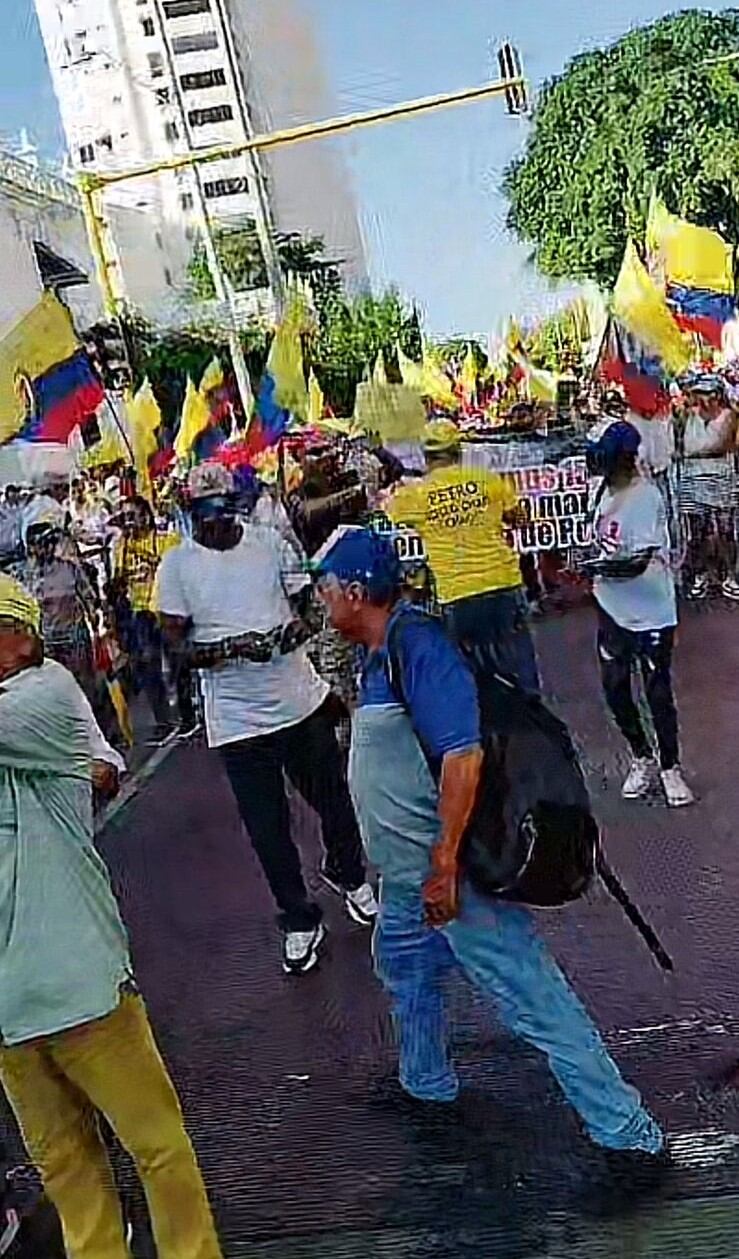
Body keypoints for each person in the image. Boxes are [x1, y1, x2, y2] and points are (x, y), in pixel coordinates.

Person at [314, 528, 665, 1160]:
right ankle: (425, 1082)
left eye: (327, 587)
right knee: (407, 974)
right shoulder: (384, 651)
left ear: (357, 591)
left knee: (531, 995)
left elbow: (462, 755)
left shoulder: (416, 645)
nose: (321, 599)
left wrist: (446, 863)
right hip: (408, 878)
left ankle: (629, 1135)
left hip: (442, 877)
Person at [0, 574, 222, 1259]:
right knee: (66, 1172)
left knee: (156, 1146)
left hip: (80, 982)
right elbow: (101, 763)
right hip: (9, 1010)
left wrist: (100, 766)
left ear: (22, 635)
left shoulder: (45, 693)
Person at [156, 463, 377, 975]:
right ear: (190, 514)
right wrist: (232, 648)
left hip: (298, 699)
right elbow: (175, 646)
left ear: (235, 506)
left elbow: (311, 606)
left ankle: (348, 873)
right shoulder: (177, 567)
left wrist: (295, 632)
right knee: (267, 829)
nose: (213, 524)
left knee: (337, 801)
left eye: (221, 511)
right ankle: (299, 918)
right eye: (202, 514)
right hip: (236, 721)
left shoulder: (269, 544)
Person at [386, 419, 539, 693]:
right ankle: (537, 720)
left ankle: (484, 725)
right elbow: (521, 520)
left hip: (456, 595)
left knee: (469, 677)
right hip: (503, 583)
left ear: (426, 456)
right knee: (520, 666)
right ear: (459, 451)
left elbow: (388, 525)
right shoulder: (488, 480)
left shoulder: (414, 495)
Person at [586, 420, 694, 808]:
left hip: (651, 611)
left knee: (656, 689)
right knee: (615, 687)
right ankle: (641, 756)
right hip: (611, 609)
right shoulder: (596, 490)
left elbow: (636, 561)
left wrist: (594, 568)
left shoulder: (647, 496)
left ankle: (670, 766)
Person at [110, 496, 187, 743]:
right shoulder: (120, 546)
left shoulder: (166, 540)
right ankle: (163, 720)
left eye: (132, 516)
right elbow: (117, 581)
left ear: (146, 516)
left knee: (178, 662)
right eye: (124, 518)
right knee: (148, 665)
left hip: (168, 609)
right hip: (139, 612)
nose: (128, 523)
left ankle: (188, 714)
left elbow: (174, 570)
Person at [676, 375, 739, 600]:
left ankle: (730, 576)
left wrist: (692, 453)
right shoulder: (687, 416)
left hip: (720, 478)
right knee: (698, 532)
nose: (701, 398)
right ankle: (700, 575)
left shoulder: (729, 415)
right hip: (693, 479)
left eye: (706, 393)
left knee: (725, 530)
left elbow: (722, 444)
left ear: (716, 394)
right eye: (698, 393)